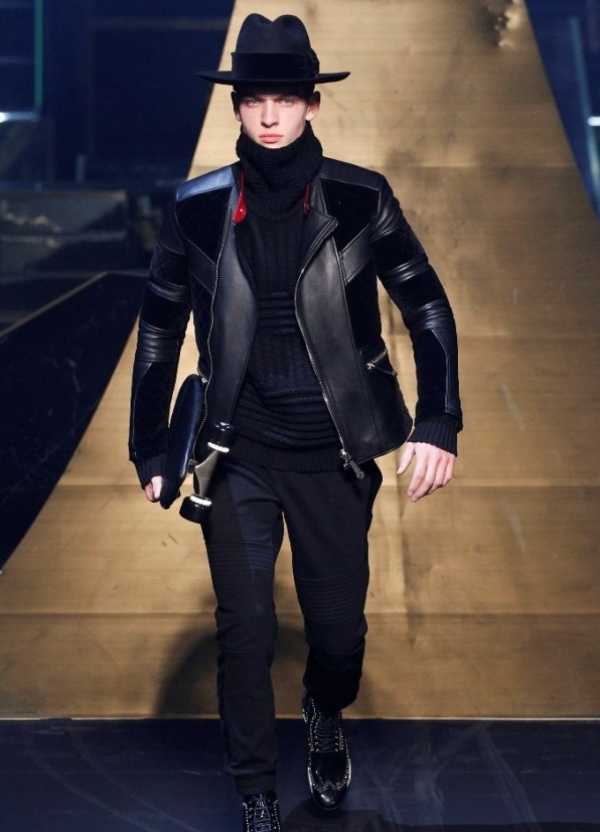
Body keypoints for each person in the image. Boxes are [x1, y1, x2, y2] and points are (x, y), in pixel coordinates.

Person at [128, 12, 463, 831]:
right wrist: (150, 445)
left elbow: (426, 303)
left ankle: (322, 706)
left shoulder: (359, 198)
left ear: (312, 103)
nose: (270, 114)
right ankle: (257, 795)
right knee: (243, 630)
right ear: (237, 107)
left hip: (333, 454)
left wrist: (438, 421)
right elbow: (161, 324)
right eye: (255, 99)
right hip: (235, 452)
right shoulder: (198, 209)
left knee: (338, 634)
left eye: (285, 98)